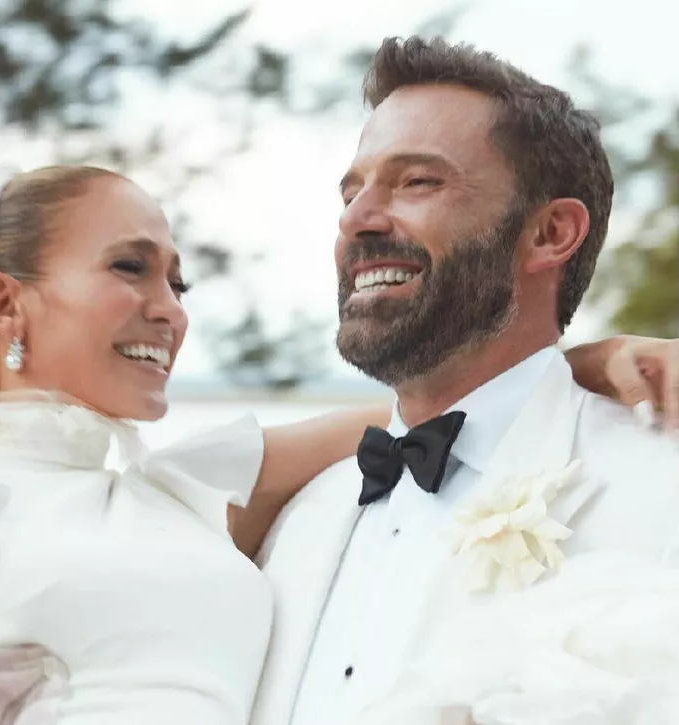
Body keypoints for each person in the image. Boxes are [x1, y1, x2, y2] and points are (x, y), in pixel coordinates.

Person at [0, 162, 676, 725]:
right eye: (129, 267)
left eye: (178, 281)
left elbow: (430, 415)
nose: (169, 310)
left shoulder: (183, 493)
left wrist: (594, 360)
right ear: (3, 300)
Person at [250, 37, 679, 725]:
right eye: (352, 191)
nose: (356, 218)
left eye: (418, 182)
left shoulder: (660, 489)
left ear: (550, 233)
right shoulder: (297, 522)